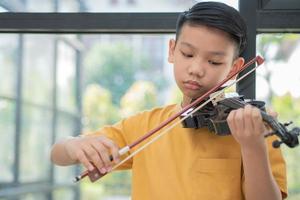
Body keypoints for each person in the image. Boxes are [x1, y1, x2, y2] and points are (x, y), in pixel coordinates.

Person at [50, 2, 287, 200]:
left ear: (234, 69)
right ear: (172, 51)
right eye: (187, 54)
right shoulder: (145, 126)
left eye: (214, 62)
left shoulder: (255, 129)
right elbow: (57, 154)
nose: (196, 69)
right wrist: (73, 144)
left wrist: (252, 147)